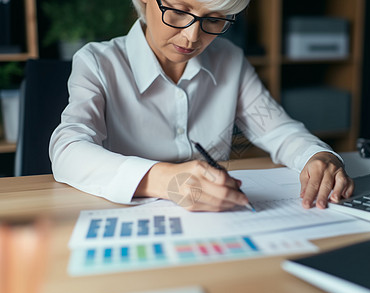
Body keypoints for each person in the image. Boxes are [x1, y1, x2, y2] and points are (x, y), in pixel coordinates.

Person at [49, 0, 354, 212]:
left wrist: (319, 155)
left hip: (215, 223)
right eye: (179, 11)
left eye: (213, 19)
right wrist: (165, 180)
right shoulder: (98, 63)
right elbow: (67, 150)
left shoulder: (229, 60)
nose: (192, 36)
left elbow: (278, 129)